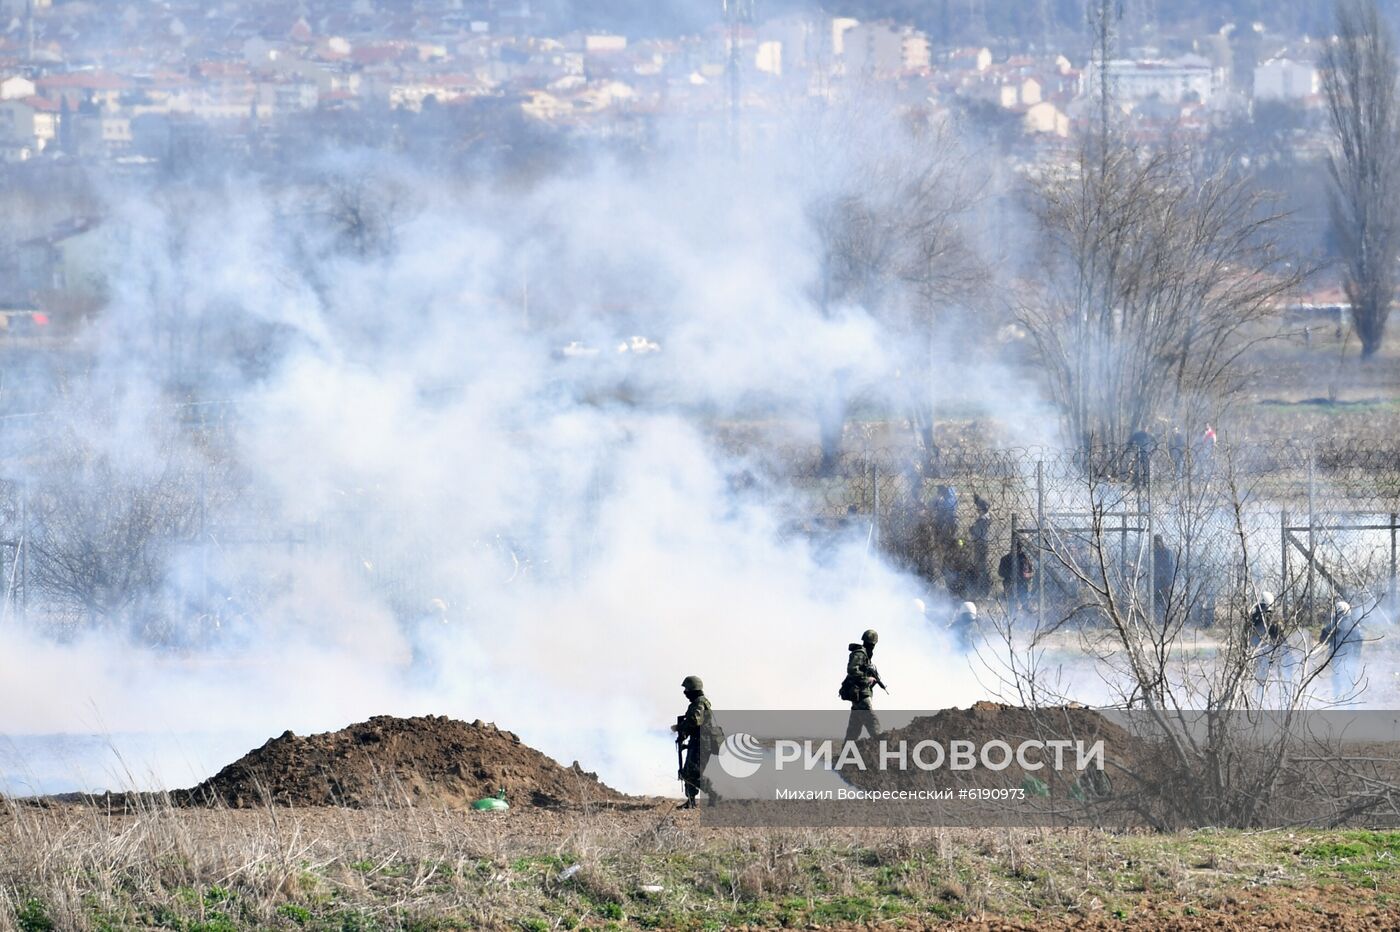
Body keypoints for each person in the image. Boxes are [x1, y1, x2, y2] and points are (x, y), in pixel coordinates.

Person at [671, 675, 722, 809]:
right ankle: (691, 801)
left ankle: (714, 794)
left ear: (693, 689)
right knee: (687, 772)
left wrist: (680, 727)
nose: (685, 693)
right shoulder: (696, 703)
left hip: (703, 743)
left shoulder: (700, 702)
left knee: (694, 773)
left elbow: (694, 721)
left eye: (687, 690)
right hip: (697, 741)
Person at [840, 629, 882, 744]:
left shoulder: (865, 655)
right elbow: (852, 670)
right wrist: (866, 679)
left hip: (859, 694)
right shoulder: (860, 653)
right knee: (873, 722)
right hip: (860, 694)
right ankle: (881, 746)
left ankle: (844, 757)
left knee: (853, 730)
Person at [1320, 598, 1364, 701]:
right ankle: (1351, 708)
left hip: (1338, 659)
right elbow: (1360, 642)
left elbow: (1322, 640)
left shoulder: (1333, 626)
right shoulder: (1355, 625)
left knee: (1337, 684)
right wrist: (1356, 656)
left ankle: (1337, 705)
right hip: (1352, 659)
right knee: (1350, 685)